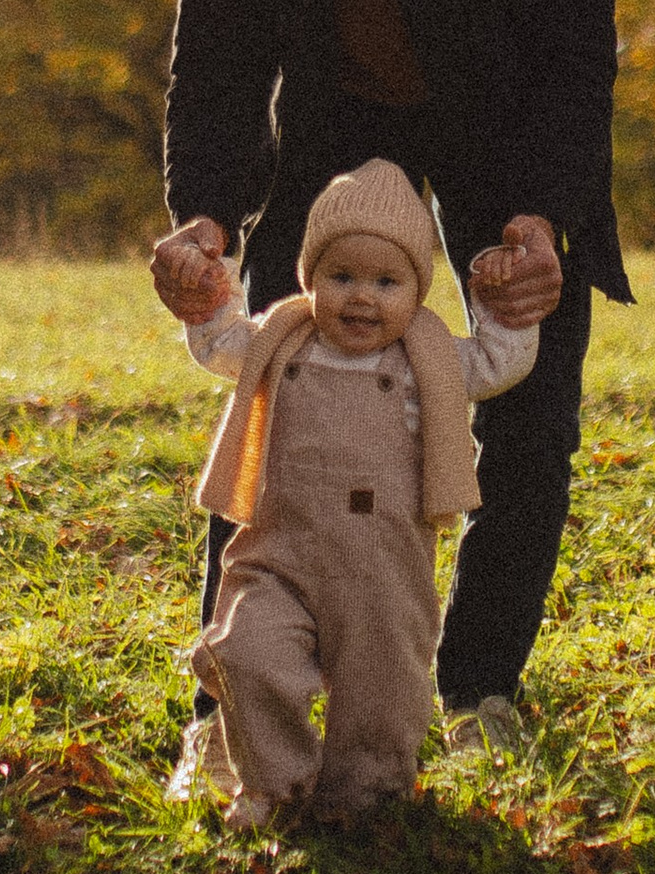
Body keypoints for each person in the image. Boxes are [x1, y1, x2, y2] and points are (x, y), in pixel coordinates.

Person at [155, 0, 625, 776]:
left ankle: (477, 688)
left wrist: (540, 219)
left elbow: (576, 49)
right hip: (335, 117)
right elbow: (216, 56)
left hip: (501, 116)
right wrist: (205, 216)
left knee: (530, 402)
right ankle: (227, 706)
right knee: (275, 389)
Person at [163, 159, 538, 824]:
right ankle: (275, 784)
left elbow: (498, 361)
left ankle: (365, 799)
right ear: (310, 279)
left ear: (417, 291)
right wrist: (211, 291)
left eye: (387, 281)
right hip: (277, 554)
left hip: (381, 568)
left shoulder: (429, 358)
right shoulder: (281, 339)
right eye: (341, 277)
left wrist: (499, 303)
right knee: (247, 653)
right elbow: (220, 343)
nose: (362, 297)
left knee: (381, 688)